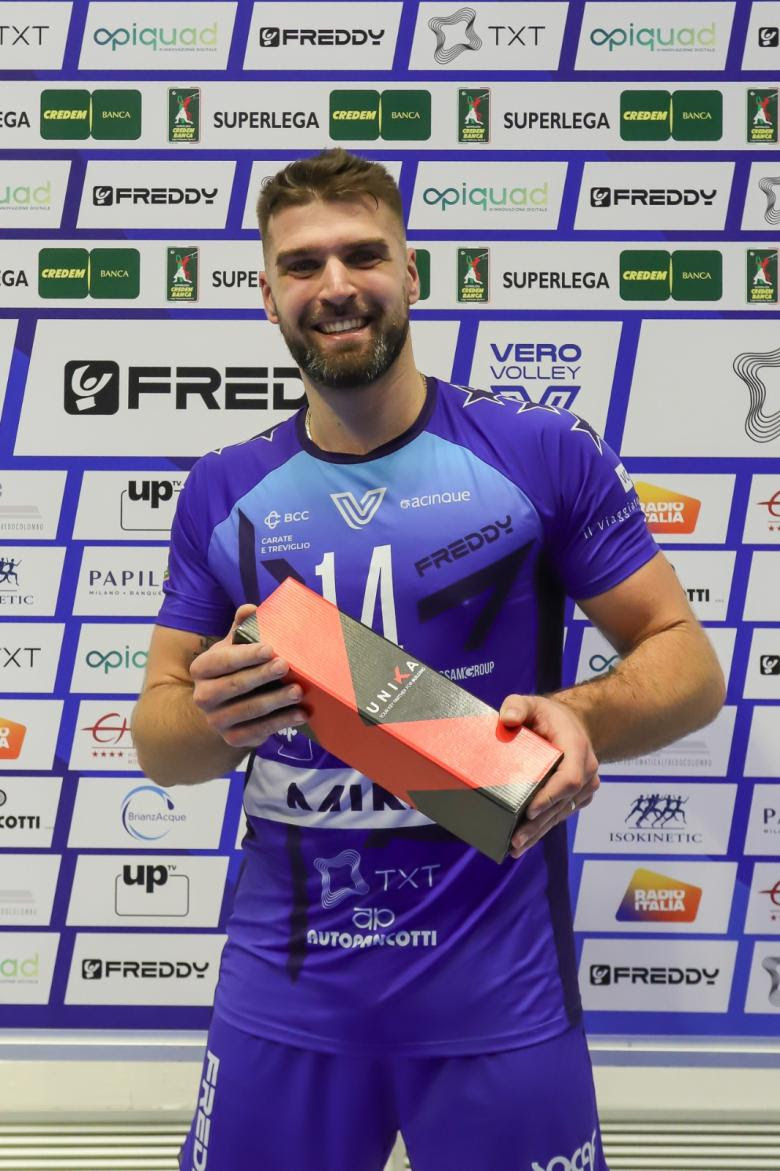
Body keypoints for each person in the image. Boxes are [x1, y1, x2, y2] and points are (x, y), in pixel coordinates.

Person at [132, 149, 725, 1171]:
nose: (336, 285)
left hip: (501, 996)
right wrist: (211, 718)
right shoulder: (223, 490)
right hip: (286, 995)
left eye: (364, 255)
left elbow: (688, 663)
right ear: (268, 296)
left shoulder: (539, 452)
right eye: (302, 264)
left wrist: (583, 715)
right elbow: (159, 740)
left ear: (411, 273)